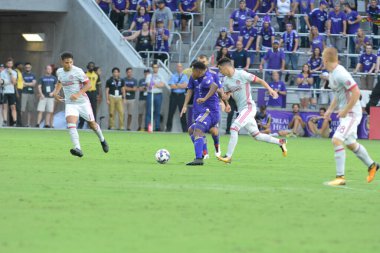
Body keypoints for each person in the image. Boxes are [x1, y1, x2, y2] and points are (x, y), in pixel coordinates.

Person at [322, 47, 378, 186]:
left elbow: (356, 92)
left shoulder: (340, 73)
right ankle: (372, 165)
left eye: (323, 58)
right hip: (347, 113)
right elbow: (338, 93)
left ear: (326, 59)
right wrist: (329, 110)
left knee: (336, 140)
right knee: (351, 144)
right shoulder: (332, 74)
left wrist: (346, 110)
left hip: (352, 113)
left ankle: (340, 177)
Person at [216, 57, 287, 164]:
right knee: (257, 136)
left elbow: (260, 80)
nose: (220, 72)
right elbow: (227, 95)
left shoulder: (242, 74)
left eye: (220, 69)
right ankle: (281, 142)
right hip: (242, 110)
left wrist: (271, 90)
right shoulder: (226, 81)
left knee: (234, 128)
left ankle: (228, 156)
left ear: (226, 67)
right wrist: (226, 103)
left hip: (249, 107)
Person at [52, 52, 108, 157]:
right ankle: (78, 148)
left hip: (82, 103)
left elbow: (89, 84)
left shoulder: (78, 71)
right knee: (71, 124)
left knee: (92, 124)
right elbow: (60, 81)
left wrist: (78, 94)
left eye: (70, 62)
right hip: (70, 103)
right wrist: (56, 92)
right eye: (66, 62)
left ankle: (102, 139)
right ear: (62, 62)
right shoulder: (59, 72)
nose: (69, 64)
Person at [180, 61, 222, 165]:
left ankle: (199, 158)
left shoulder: (206, 78)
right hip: (204, 111)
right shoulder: (197, 78)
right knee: (191, 130)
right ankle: (201, 153)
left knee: (199, 130)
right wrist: (185, 105)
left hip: (210, 111)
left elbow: (214, 86)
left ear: (197, 71)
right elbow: (190, 90)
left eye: (192, 71)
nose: (191, 73)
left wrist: (204, 98)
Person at [166, 63, 188, 132]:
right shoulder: (173, 76)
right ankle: (168, 128)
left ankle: (184, 129)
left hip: (181, 96)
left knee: (182, 113)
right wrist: (180, 85)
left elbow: (185, 86)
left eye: (180, 67)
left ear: (182, 68)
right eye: (178, 67)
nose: (179, 68)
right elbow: (172, 86)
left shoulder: (185, 76)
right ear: (176, 68)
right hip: (174, 95)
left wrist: (177, 85)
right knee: (170, 112)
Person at [78, 62, 101, 129]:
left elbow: (98, 85)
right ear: (87, 67)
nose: (91, 67)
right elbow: (81, 84)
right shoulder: (84, 74)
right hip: (86, 92)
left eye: (92, 66)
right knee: (83, 108)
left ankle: (93, 124)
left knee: (93, 108)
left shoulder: (96, 75)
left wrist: (99, 94)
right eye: (90, 66)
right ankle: (81, 124)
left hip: (93, 93)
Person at [145, 63, 165, 131]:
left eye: (156, 67)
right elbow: (149, 85)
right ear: (152, 68)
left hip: (158, 94)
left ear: (158, 68)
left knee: (157, 111)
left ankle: (157, 127)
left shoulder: (161, 76)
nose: (155, 68)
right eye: (154, 67)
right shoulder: (149, 76)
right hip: (150, 94)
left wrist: (154, 84)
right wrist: (157, 84)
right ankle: (148, 126)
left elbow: (162, 85)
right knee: (149, 111)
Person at [344, 3, 362, 69]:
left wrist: (353, 22)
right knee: (351, 50)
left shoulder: (354, 12)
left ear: (347, 7)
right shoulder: (346, 15)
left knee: (357, 49)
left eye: (344, 7)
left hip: (355, 33)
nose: (343, 8)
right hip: (350, 34)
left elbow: (360, 18)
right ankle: (353, 64)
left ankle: (359, 64)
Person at [1, 58, 17, 127]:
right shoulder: (2, 72)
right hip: (4, 91)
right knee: (4, 107)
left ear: (12, 64)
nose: (9, 64)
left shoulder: (14, 72)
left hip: (11, 92)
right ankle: (4, 121)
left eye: (11, 63)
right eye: (8, 63)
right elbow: (1, 83)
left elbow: (14, 82)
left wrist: (10, 74)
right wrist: (7, 82)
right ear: (6, 64)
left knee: (13, 107)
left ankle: (15, 121)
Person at [21, 63, 36, 127]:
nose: (27, 68)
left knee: (30, 109)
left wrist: (26, 84)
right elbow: (22, 83)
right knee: (22, 109)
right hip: (23, 93)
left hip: (31, 93)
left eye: (29, 67)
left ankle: (28, 124)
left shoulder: (33, 75)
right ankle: (20, 123)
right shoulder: (22, 74)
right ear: (25, 68)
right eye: (26, 67)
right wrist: (30, 83)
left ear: (31, 67)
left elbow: (34, 84)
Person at [15, 62, 23, 126]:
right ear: (17, 66)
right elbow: (15, 83)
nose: (22, 66)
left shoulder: (20, 72)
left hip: (20, 90)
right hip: (17, 90)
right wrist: (17, 92)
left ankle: (19, 123)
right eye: (20, 65)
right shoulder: (16, 72)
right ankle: (18, 123)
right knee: (18, 107)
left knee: (19, 107)